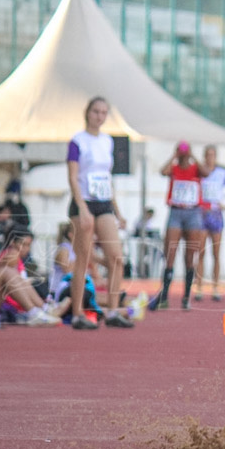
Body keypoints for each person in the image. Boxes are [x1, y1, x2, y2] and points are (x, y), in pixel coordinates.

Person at [65, 96, 134, 329]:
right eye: (96, 111)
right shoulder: (77, 141)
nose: (99, 116)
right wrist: (82, 208)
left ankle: (113, 311)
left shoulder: (107, 142)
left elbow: (107, 178)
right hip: (83, 202)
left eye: (104, 112)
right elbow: (73, 177)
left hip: (103, 202)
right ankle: (77, 314)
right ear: (87, 112)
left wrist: (118, 212)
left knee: (116, 257)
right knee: (83, 260)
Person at [150, 141, 211, 310]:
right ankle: (164, 295)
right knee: (170, 253)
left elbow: (206, 173)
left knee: (190, 256)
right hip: (176, 212)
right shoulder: (174, 168)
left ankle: (186, 297)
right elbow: (163, 171)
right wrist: (174, 156)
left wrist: (193, 157)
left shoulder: (195, 169)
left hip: (193, 213)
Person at [195, 144, 225, 301]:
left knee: (216, 252)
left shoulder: (222, 173)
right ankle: (199, 287)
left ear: (215, 157)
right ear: (204, 157)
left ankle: (215, 287)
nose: (210, 158)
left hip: (216, 213)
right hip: (202, 212)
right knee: (200, 251)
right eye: (207, 155)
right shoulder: (200, 172)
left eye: (212, 155)